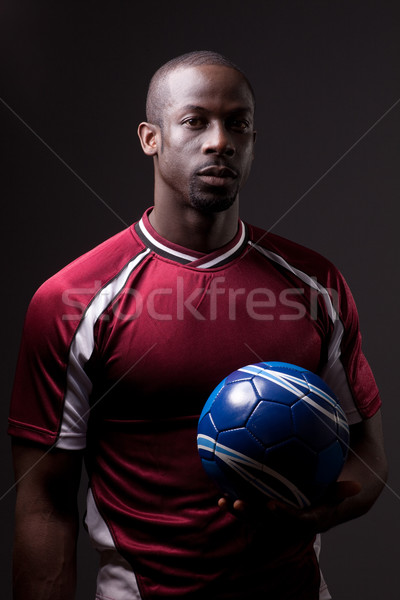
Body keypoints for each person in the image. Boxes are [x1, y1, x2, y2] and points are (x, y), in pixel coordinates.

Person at [9, 50, 387, 600]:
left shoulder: (316, 284)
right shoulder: (72, 301)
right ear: (150, 138)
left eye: (238, 124)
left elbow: (368, 452)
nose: (220, 141)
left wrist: (321, 513)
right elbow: (44, 502)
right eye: (195, 121)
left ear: (253, 141)